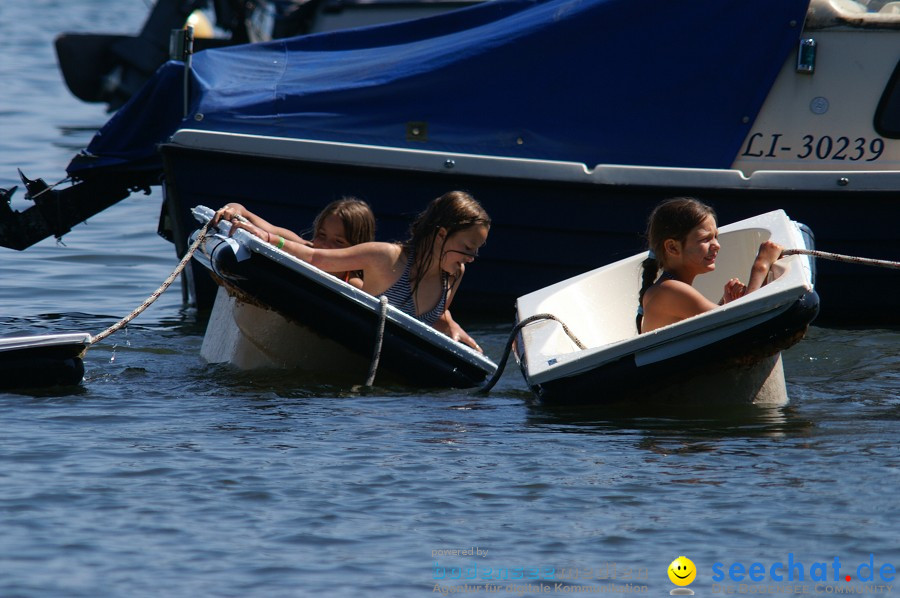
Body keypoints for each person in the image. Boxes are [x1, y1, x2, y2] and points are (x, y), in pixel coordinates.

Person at [217, 190, 490, 352]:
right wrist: (265, 238)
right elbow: (314, 256)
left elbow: (437, 312)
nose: (472, 257)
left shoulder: (454, 275)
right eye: (468, 247)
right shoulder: (386, 258)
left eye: (476, 250)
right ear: (441, 235)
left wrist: (451, 326)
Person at [637, 197, 783, 334]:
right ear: (673, 247)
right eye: (705, 239)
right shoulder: (670, 290)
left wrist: (727, 305)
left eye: (716, 237)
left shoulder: (665, 289)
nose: (717, 245)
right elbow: (745, 322)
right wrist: (761, 265)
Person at [213, 197, 376, 288]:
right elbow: (243, 211)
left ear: (358, 249)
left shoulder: (354, 285)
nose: (325, 245)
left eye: (338, 242)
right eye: (322, 234)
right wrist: (232, 210)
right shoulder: (302, 247)